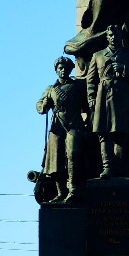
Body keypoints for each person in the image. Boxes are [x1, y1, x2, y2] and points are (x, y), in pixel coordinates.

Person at [85, 22, 129, 176]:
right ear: (107, 37)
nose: (113, 37)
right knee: (103, 132)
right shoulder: (97, 55)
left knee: (121, 132)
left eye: (116, 35)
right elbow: (90, 80)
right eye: (110, 35)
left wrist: (124, 69)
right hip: (102, 96)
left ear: (120, 36)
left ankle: (120, 166)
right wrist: (91, 97)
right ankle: (107, 167)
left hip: (122, 94)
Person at [35, 56, 88, 202]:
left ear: (71, 69)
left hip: (74, 124)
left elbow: (88, 104)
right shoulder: (51, 89)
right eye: (60, 68)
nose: (63, 70)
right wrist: (44, 104)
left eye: (65, 67)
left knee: (73, 155)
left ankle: (74, 189)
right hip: (57, 126)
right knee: (56, 160)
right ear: (56, 70)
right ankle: (61, 192)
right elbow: (40, 107)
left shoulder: (78, 86)